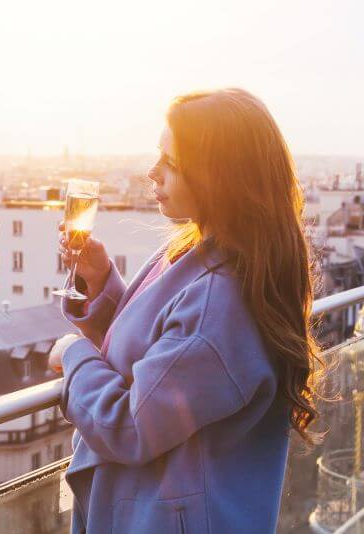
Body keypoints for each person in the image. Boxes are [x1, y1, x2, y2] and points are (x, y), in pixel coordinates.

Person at [47, 88, 320, 533]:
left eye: (171, 163)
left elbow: (131, 425)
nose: (152, 172)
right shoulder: (213, 254)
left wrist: (73, 356)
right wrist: (101, 284)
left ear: (219, 177)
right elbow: (169, 355)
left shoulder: (220, 296)